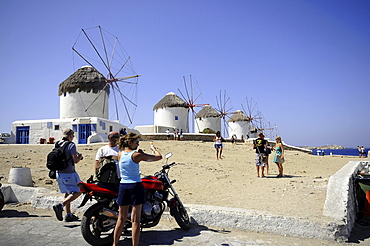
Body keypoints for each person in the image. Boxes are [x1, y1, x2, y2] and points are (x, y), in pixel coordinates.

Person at [113, 132, 162, 246]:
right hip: (135, 186)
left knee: (121, 218)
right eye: (136, 142)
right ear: (130, 142)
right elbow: (158, 157)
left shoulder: (120, 154)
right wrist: (153, 149)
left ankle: (115, 244)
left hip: (123, 186)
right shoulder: (136, 155)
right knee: (136, 221)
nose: (138, 144)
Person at [52, 128, 83, 222]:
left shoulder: (57, 143)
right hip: (69, 173)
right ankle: (60, 205)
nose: (73, 137)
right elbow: (75, 160)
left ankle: (68, 214)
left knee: (68, 192)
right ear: (70, 136)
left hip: (58, 173)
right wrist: (79, 157)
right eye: (73, 135)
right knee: (80, 190)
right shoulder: (71, 145)